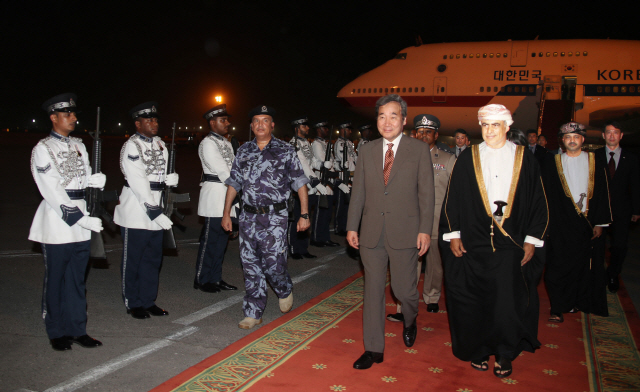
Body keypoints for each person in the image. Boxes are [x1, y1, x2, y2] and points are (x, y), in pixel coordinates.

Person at [441, 104, 548, 378]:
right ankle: (478, 349)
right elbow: (453, 198)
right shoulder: (469, 157)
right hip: (474, 243)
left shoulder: (525, 157)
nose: (490, 131)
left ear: (507, 127)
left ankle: (504, 352)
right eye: (485, 125)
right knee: (475, 299)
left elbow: (538, 202)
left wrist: (531, 240)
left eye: (495, 125)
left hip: (509, 245)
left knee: (506, 302)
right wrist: (454, 234)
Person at [346, 94, 435, 369]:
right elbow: (358, 191)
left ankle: (410, 318)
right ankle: (373, 349)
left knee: (403, 290)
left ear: (404, 120)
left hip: (405, 231)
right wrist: (352, 225)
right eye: (382, 116)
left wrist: (425, 230)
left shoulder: (418, 150)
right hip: (371, 232)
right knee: (372, 291)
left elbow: (427, 195)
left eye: (393, 116)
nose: (387, 122)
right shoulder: (367, 150)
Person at [222, 105, 310, 329]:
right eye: (256, 121)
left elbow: (299, 183)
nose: (260, 125)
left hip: (275, 218)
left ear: (272, 125)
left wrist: (304, 214)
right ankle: (253, 311)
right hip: (248, 217)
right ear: (251, 126)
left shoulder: (285, 150)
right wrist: (226, 213)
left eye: (265, 120)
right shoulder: (243, 151)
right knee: (250, 264)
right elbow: (234, 183)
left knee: (274, 264)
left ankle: (283, 288)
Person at [29, 93, 105, 351]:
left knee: (77, 279)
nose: (73, 118)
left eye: (73, 114)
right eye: (67, 114)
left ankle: (77, 329)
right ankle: (56, 330)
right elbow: (51, 190)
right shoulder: (43, 149)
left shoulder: (79, 146)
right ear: (53, 117)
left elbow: (82, 179)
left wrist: (95, 182)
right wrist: (80, 219)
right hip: (59, 221)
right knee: (57, 278)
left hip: (83, 217)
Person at [387, 114, 455, 322]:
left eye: (428, 132)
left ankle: (432, 296)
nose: (424, 136)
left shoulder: (447, 159)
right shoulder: (402, 157)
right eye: (420, 132)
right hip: (409, 221)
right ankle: (403, 306)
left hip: (435, 220)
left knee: (434, 262)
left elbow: (455, 193)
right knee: (407, 264)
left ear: (436, 135)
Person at [114, 102, 177, 319]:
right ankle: (133, 302)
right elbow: (138, 181)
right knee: (134, 259)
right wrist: (154, 210)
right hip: (136, 209)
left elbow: (160, 175)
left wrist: (171, 180)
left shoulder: (160, 144)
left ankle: (148, 300)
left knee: (153, 258)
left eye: (156, 120)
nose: (154, 123)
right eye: (148, 120)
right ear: (137, 124)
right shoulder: (132, 145)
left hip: (156, 208)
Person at [543, 122, 612, 319]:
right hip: (559, 226)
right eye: (568, 137)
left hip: (586, 225)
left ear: (582, 139)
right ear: (562, 141)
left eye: (576, 137)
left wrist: (600, 223)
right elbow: (546, 196)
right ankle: (557, 307)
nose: (572, 140)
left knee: (582, 267)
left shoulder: (595, 161)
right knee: (556, 267)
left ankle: (576, 301)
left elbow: (602, 193)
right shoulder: (552, 162)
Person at [194, 104, 238, 293]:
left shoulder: (226, 142)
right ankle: (202, 279)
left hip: (229, 193)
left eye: (227, 120)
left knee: (222, 242)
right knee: (210, 241)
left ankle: (215, 277)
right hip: (215, 196)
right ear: (212, 123)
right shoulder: (208, 143)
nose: (227, 123)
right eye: (223, 120)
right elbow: (224, 172)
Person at [594, 122, 640, 293]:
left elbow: (635, 185)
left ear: (621, 136)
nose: (612, 136)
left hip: (622, 210)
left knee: (620, 246)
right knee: (597, 244)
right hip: (599, 210)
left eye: (615, 133)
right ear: (603, 135)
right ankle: (597, 276)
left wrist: (636, 210)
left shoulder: (631, 158)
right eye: (608, 132)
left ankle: (613, 274)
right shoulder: (595, 156)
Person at [288, 116, 325, 259]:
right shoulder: (294, 144)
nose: (308, 128)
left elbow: (311, 163)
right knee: (296, 217)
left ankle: (303, 248)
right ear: (297, 127)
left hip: (309, 186)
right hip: (299, 187)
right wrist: (316, 182)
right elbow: (303, 165)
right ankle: (293, 248)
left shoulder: (306, 144)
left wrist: (321, 164)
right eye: (305, 126)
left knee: (306, 217)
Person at [310, 121, 340, 248]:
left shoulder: (325, 143)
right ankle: (316, 238)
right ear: (318, 129)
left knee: (327, 213)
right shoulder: (317, 144)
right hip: (322, 179)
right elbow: (323, 161)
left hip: (329, 181)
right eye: (324, 128)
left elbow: (331, 162)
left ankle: (325, 237)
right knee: (320, 212)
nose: (326, 130)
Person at [334, 122, 356, 236]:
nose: (350, 131)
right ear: (342, 129)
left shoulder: (349, 143)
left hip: (351, 177)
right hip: (343, 177)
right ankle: (339, 227)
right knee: (340, 205)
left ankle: (346, 226)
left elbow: (353, 157)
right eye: (348, 129)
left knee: (348, 206)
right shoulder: (340, 143)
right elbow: (343, 160)